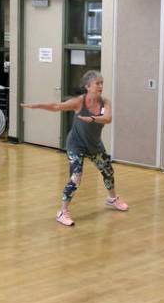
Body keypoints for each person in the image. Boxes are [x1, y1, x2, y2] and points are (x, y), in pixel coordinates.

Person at [20, 70, 128, 226]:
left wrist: (91, 118)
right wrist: (37, 106)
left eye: (101, 83)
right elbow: (57, 106)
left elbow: (108, 119)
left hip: (94, 145)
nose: (100, 86)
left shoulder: (105, 102)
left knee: (108, 171)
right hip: (76, 145)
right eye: (97, 83)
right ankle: (62, 212)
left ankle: (112, 199)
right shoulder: (79, 102)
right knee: (76, 177)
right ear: (87, 86)